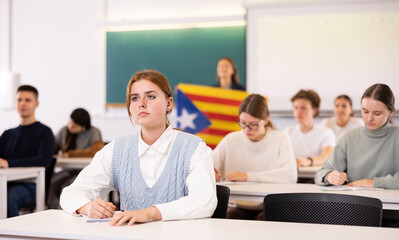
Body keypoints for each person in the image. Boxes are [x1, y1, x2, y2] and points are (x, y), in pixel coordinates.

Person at [60, 70, 217, 226]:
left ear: (169, 104)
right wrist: (87, 207)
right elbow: (70, 193)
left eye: (150, 96)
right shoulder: (116, 149)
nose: (141, 103)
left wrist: (150, 213)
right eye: (135, 98)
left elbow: (205, 202)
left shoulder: (195, 148)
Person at [213, 94, 297, 220]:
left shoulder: (281, 139)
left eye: (253, 124)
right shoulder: (231, 139)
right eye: (243, 123)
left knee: (264, 220)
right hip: (236, 204)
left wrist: (247, 176)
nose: (247, 129)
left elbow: (290, 175)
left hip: (268, 204)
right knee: (230, 217)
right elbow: (208, 166)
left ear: (266, 119)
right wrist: (211, 174)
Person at [315, 83, 399, 189]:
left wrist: (374, 183)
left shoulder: (396, 137)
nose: (369, 118)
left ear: (390, 112)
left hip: (392, 204)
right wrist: (329, 176)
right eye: (365, 111)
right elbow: (320, 173)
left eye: (377, 113)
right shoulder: (350, 137)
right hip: (355, 202)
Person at [0, 85, 55, 218]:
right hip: (5, 182)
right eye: (19, 100)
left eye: (27, 100)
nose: (23, 103)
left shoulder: (44, 132)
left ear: (36, 104)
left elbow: (43, 160)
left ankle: (10, 237)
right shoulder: (8, 134)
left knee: (9, 196)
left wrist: (8, 163)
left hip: (33, 185)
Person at [48, 108, 104, 209]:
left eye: (74, 126)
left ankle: (65, 211)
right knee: (52, 183)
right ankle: (55, 209)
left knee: (67, 186)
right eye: (69, 122)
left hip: (85, 172)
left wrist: (70, 154)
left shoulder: (93, 132)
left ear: (83, 127)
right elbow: (52, 149)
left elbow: (96, 151)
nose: (70, 126)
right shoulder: (64, 131)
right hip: (67, 170)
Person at [284, 89, 335, 167]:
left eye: (303, 108)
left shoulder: (326, 133)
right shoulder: (288, 132)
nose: (298, 111)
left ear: (314, 110)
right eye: (296, 107)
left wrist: (307, 161)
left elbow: (327, 156)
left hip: (315, 176)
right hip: (291, 174)